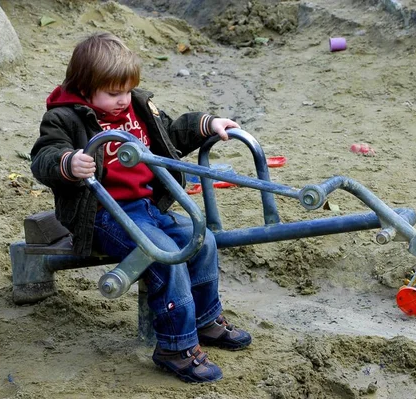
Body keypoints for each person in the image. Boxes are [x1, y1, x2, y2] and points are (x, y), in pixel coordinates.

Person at [30, 32, 251, 383]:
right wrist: (68, 163)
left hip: (146, 207)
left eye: (127, 91)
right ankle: (175, 346)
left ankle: (205, 319)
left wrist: (207, 124)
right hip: (102, 215)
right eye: (113, 93)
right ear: (86, 87)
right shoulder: (65, 118)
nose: (122, 100)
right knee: (163, 254)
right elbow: (43, 157)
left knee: (202, 239)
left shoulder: (138, 108)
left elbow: (172, 134)